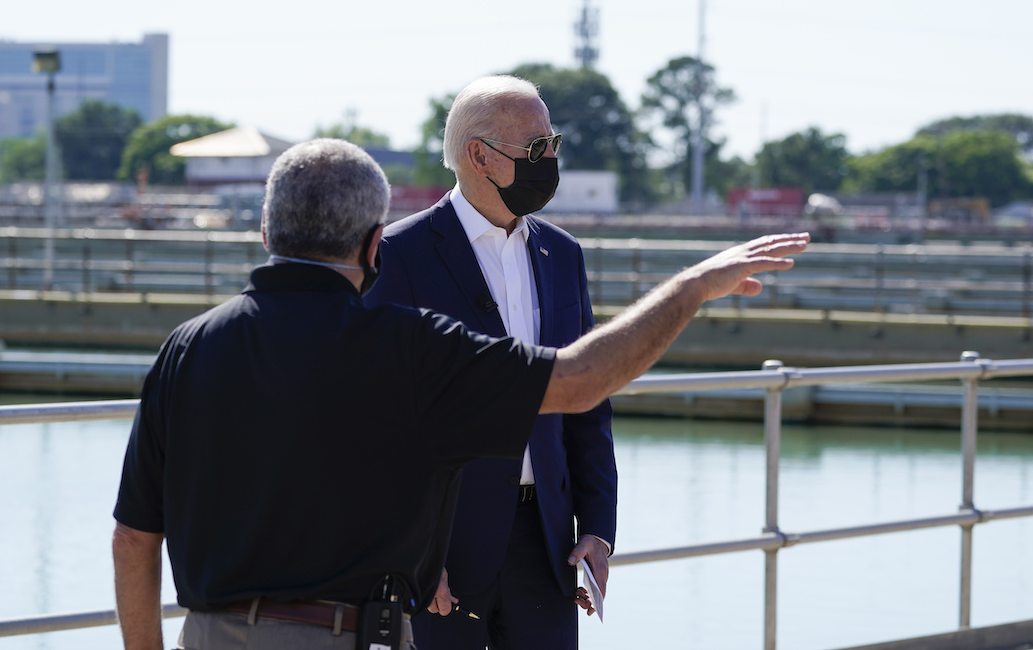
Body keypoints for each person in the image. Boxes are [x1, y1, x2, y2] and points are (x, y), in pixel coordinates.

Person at [112, 137, 808, 650]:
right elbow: (580, 381)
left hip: (210, 637)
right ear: (376, 245)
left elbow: (134, 540)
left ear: (265, 233)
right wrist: (691, 287)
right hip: (352, 637)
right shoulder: (410, 347)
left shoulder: (186, 350)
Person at [363, 75, 613, 650]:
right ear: (479, 155)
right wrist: (412, 553)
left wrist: (599, 527)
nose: (550, 161)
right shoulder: (398, 257)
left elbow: (588, 399)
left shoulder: (563, 255)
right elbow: (377, 424)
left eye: (554, 145)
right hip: (442, 551)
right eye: (535, 149)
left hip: (547, 544)